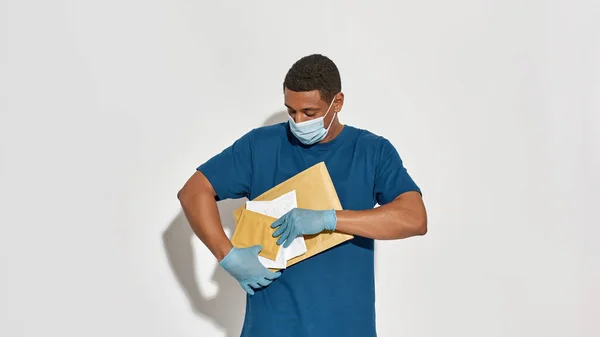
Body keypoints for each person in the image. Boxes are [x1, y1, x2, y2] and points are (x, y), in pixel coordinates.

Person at [177, 54, 427, 337]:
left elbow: (414, 218)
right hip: (271, 327)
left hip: (345, 327)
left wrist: (330, 219)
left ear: (338, 103)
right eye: (290, 111)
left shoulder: (372, 151)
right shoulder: (260, 146)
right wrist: (228, 255)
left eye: (309, 113)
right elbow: (193, 192)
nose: (298, 121)